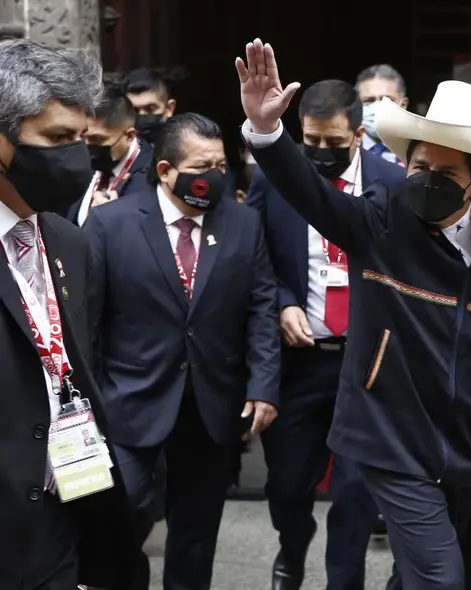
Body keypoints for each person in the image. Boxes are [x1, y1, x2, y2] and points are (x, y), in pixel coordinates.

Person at [236, 39, 471, 590]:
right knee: (441, 576)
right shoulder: (381, 221)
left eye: (447, 172)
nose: (428, 177)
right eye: (419, 165)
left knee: (417, 571)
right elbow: (310, 194)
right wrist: (266, 133)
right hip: (388, 433)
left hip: (469, 437)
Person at [85, 112, 281, 590]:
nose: (212, 175)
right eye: (201, 165)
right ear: (166, 170)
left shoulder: (243, 223)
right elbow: (87, 319)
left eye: (219, 165)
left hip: (211, 401)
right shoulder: (111, 224)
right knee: (121, 515)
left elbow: (260, 309)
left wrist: (263, 386)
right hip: (129, 397)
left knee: (196, 532)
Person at [246, 78, 405, 590]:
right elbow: (254, 258)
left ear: (358, 135)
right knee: (288, 486)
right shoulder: (276, 180)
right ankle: (292, 547)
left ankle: (345, 581)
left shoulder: (392, 182)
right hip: (302, 359)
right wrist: (283, 303)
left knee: (357, 490)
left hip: (366, 363)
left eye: (334, 144)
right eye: (310, 143)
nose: (320, 154)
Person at [0, 38, 136, 590]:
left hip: (67, 511)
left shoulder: (67, 243)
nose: (76, 158)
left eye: (83, 138)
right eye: (56, 139)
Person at [66, 84, 153, 225]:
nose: (86, 146)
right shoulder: (75, 164)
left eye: (96, 139)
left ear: (129, 136)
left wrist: (109, 221)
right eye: (82, 137)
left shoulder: (152, 180)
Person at [356, 64, 408, 167]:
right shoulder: (346, 150)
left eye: (387, 100)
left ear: (403, 105)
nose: (377, 107)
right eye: (368, 100)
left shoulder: (417, 151)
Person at [121, 68, 177, 144]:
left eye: (150, 109)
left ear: (169, 108)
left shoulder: (182, 147)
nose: (141, 116)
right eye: (134, 110)